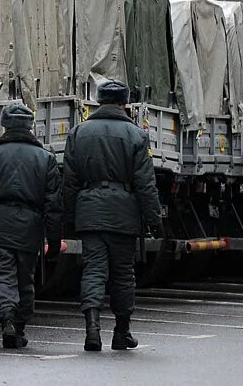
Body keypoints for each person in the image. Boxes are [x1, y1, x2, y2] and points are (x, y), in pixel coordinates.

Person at [63, 79, 163, 352]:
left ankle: (92, 330)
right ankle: (121, 332)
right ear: (125, 104)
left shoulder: (78, 133)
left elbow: (69, 180)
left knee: (93, 270)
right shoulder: (136, 135)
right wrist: (154, 219)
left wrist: (69, 217)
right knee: (122, 274)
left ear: (98, 102)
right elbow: (145, 182)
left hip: (90, 210)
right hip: (123, 213)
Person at [0, 102, 63, 349]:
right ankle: (19, 326)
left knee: (2, 276)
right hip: (29, 227)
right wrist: (53, 240)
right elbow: (53, 206)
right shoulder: (46, 159)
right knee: (25, 278)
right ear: (31, 127)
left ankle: (7, 319)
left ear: (4, 127)